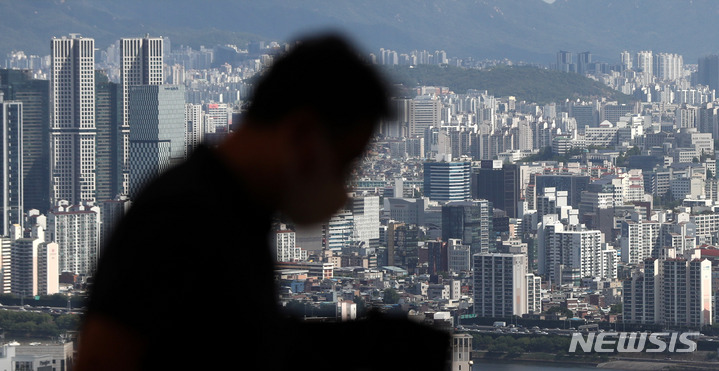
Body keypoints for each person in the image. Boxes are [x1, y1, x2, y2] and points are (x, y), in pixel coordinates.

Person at [75, 33, 450, 370]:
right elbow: (101, 359)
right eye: (345, 164)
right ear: (303, 135)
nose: (344, 193)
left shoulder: (230, 212)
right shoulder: (183, 216)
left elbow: (231, 346)